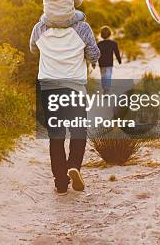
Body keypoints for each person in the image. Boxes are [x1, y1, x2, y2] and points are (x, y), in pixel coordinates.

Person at [30, 17, 100, 195]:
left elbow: (33, 49)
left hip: (49, 89)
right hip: (74, 87)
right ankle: (74, 165)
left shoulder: (40, 28)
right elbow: (94, 55)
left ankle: (61, 184)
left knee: (56, 135)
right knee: (78, 130)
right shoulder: (82, 27)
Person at [97, 26, 121, 92]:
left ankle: (104, 88)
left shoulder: (99, 44)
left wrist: (93, 62)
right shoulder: (113, 43)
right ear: (110, 34)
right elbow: (117, 52)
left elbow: (96, 54)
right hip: (109, 63)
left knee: (103, 76)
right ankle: (107, 89)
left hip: (101, 63)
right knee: (108, 76)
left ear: (101, 35)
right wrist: (119, 60)